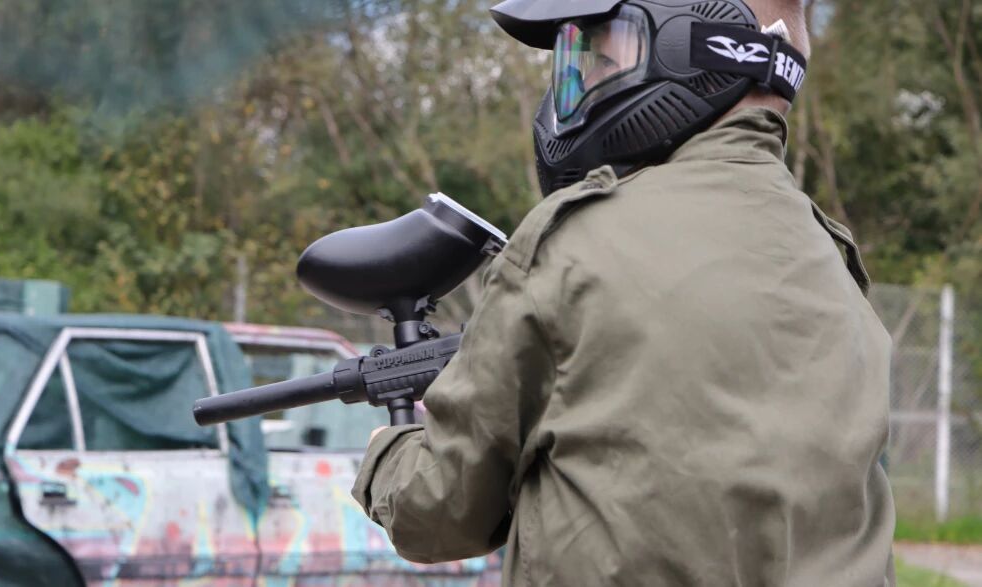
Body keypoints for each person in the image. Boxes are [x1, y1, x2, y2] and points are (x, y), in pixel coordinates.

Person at [352, 0, 896, 585]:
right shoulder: (837, 266)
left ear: (685, 45)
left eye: (600, 57)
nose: (578, 83)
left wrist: (388, 452)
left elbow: (441, 513)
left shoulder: (573, 244)